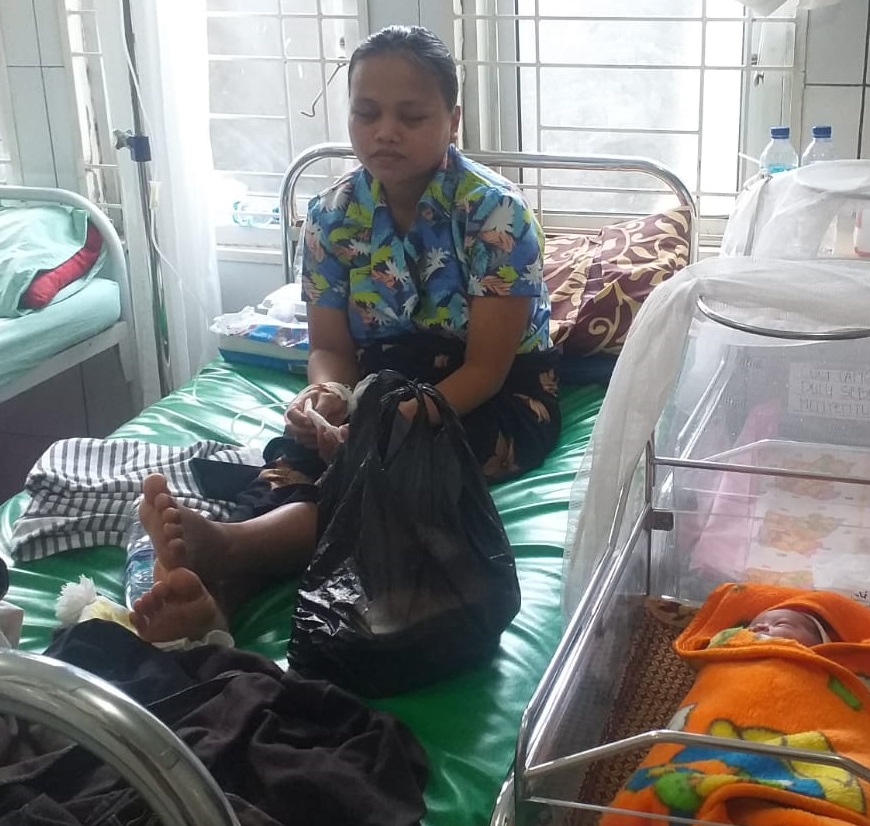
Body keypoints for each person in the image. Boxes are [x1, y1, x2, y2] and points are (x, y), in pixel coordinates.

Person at [129, 25, 559, 644]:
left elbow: (487, 370)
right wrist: (328, 395)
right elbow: (331, 349)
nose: (386, 131)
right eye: (366, 112)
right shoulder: (330, 217)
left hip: (490, 395)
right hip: (378, 382)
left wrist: (384, 426)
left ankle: (231, 551)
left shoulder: (495, 214)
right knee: (298, 455)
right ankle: (219, 597)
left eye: (412, 115)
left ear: (453, 120)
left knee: (398, 469)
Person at [595, 582, 870, 826]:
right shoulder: (730, 653)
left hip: (806, 756)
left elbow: (862, 700)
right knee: (664, 792)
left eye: (781, 623)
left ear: (821, 644)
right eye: (754, 624)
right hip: (713, 744)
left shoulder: (831, 670)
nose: (761, 628)